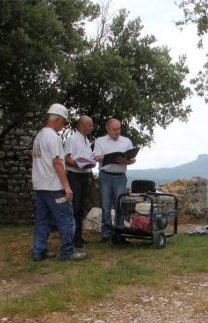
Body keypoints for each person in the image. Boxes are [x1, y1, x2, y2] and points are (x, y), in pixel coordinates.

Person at [31, 103, 87, 261]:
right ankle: (67, 252)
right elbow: (57, 162)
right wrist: (67, 186)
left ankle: (39, 250)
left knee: (43, 219)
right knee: (66, 218)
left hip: (40, 185)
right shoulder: (53, 137)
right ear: (57, 119)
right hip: (53, 186)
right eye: (64, 122)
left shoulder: (39, 136)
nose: (64, 126)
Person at [93, 118, 136, 241]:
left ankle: (119, 233)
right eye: (114, 129)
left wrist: (126, 161)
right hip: (105, 175)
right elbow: (96, 156)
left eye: (118, 129)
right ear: (108, 129)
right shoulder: (100, 141)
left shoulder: (126, 141)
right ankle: (106, 234)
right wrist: (109, 157)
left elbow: (132, 160)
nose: (117, 131)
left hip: (120, 177)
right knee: (106, 206)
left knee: (120, 205)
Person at [64, 115, 94, 248]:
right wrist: (78, 164)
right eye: (90, 125)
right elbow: (66, 158)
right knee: (75, 207)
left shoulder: (86, 140)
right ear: (82, 126)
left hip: (84, 175)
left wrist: (89, 163)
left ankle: (78, 236)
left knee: (81, 207)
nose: (92, 127)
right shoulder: (72, 139)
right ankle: (73, 238)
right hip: (75, 175)